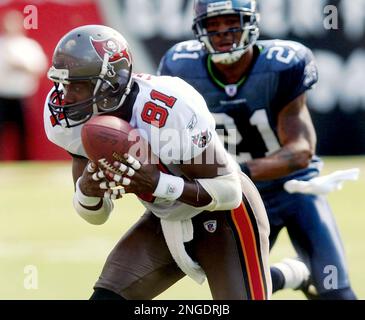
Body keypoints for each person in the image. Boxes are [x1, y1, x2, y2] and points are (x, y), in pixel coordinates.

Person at [44, 24, 272, 300]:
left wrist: (158, 183)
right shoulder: (68, 120)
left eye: (77, 85)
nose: (65, 96)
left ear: (112, 84)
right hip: (163, 218)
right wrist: (87, 192)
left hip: (225, 217)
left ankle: (289, 274)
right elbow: (96, 216)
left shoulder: (169, 107)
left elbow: (230, 191)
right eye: (63, 83)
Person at [158, 0, 357, 300]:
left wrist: (235, 173)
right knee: (238, 295)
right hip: (237, 198)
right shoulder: (180, 66)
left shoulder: (283, 64)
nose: (224, 32)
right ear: (200, 30)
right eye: (213, 25)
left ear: (251, 23)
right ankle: (292, 273)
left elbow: (301, 150)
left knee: (336, 292)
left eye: (232, 22)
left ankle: (294, 274)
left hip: (293, 189)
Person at [0, 10, 47, 160]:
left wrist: (21, 66)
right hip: (2, 94)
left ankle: (24, 161)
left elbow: (39, 67)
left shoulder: (28, 46)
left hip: (21, 95)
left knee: (23, 132)